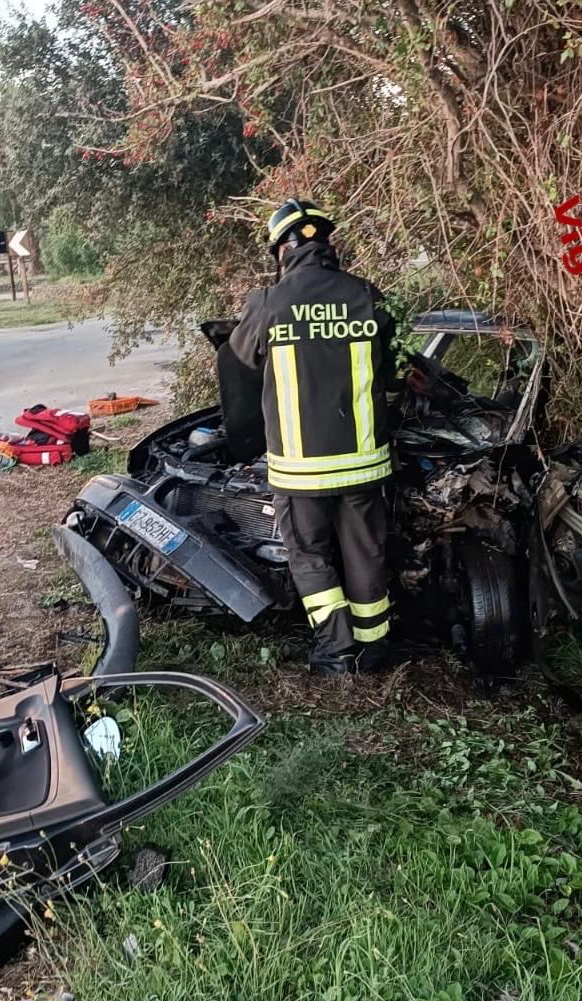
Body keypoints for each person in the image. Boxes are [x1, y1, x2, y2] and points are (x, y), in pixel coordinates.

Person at [228, 198, 396, 675]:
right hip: (365, 464)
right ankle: (375, 648)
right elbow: (392, 368)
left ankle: (336, 649)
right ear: (327, 245)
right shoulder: (368, 295)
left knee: (309, 556)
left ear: (281, 251)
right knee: (366, 554)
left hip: (301, 471)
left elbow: (239, 366)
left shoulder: (268, 304)